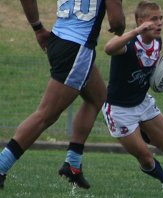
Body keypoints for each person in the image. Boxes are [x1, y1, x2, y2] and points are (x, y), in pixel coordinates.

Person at [0, 0, 125, 190]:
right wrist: (122, 28)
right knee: (45, 115)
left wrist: (37, 27)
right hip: (77, 49)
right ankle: (1, 166)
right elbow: (116, 23)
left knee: (97, 96)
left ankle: (72, 164)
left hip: (58, 39)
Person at [101, 0, 163, 190]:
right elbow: (108, 48)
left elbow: (148, 77)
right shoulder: (128, 44)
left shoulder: (157, 43)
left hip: (142, 102)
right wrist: (135, 32)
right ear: (140, 21)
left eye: (161, 18)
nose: (159, 23)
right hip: (119, 110)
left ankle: (139, 132)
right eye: (154, 19)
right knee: (145, 158)